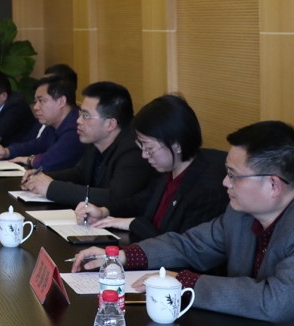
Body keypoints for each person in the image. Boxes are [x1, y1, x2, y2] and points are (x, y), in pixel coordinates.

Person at [72, 121, 294, 326]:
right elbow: (190, 245)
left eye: (233, 175)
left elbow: (275, 301)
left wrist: (185, 283)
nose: (225, 182)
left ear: (273, 185)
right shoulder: (241, 215)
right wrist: (123, 256)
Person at [74, 94, 227, 242]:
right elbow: (141, 201)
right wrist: (103, 211)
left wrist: (132, 223)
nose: (144, 155)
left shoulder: (207, 188)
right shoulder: (169, 170)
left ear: (176, 145)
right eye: (141, 147)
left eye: (149, 148)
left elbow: (182, 245)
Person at [22, 81, 154, 212]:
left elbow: (113, 198)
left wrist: (51, 188)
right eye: (80, 114)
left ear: (110, 124)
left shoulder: (134, 151)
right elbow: (80, 174)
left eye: (86, 116)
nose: (78, 121)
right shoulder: (96, 141)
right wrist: (43, 177)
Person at [0, 76, 83, 172]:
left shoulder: (77, 127)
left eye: (41, 101)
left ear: (61, 101)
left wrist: (29, 160)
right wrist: (6, 152)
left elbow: (51, 161)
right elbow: (35, 145)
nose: (36, 107)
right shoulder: (54, 124)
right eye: (36, 101)